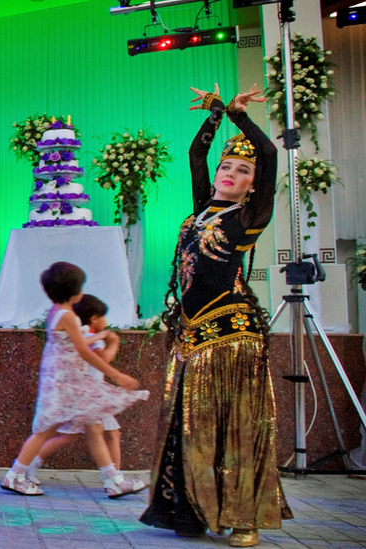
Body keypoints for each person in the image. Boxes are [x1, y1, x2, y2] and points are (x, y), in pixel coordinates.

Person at [139, 84, 291, 547]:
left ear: (252, 183)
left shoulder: (249, 217)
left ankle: (244, 517)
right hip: (192, 335)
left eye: (242, 171)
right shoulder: (203, 208)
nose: (230, 173)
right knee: (192, 430)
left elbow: (268, 152)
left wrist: (240, 115)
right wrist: (214, 115)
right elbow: (195, 154)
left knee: (238, 427)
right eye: (226, 166)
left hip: (231, 336)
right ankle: (196, 511)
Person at [1, 262, 149, 497]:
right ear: (75, 291)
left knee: (91, 424)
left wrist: (98, 337)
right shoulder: (68, 316)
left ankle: (113, 479)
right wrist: (117, 375)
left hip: (64, 380)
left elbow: (71, 343)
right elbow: (83, 351)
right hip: (65, 382)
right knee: (45, 430)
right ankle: (15, 475)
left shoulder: (56, 312)